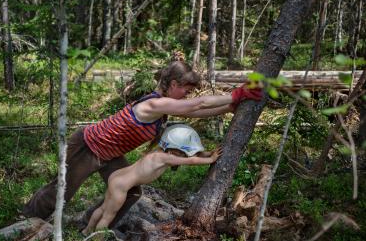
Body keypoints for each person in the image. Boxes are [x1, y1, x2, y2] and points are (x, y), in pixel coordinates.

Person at [22, 61, 262, 225]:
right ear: (174, 84)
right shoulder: (154, 104)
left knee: (130, 191)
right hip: (88, 146)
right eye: (186, 89)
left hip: (110, 154)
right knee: (61, 190)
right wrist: (236, 95)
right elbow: (196, 106)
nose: (188, 94)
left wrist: (229, 107)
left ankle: (92, 226)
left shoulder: (163, 107)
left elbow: (195, 112)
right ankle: (26, 221)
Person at [82, 124, 222, 235]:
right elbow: (191, 160)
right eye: (181, 153)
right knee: (108, 215)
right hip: (121, 185)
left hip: (117, 177)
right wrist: (211, 159)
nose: (183, 156)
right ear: (173, 149)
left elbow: (193, 154)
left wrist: (209, 153)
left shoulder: (161, 152)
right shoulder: (164, 157)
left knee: (103, 208)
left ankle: (87, 231)